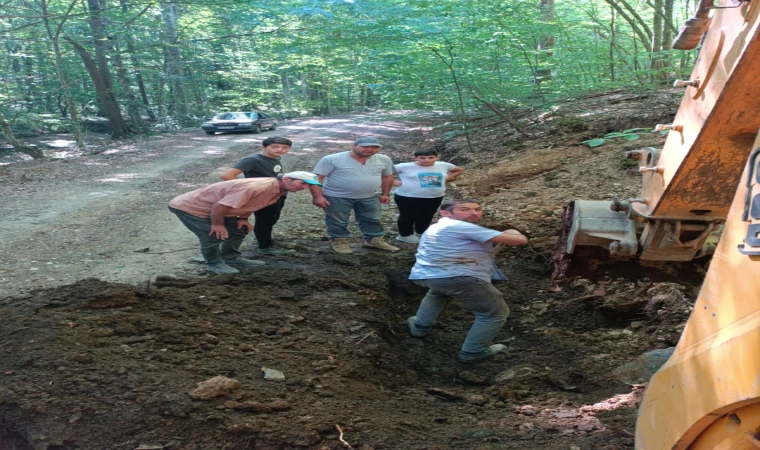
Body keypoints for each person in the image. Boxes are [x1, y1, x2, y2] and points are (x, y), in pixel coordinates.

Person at [406, 199, 528, 363]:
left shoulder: (437, 227)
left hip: (430, 275)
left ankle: (420, 327)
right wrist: (514, 232)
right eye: (465, 209)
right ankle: (473, 352)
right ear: (446, 212)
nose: (474, 213)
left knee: (439, 293)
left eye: (477, 209)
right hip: (459, 277)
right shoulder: (460, 226)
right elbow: (520, 241)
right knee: (494, 312)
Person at [169, 172, 322, 274]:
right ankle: (213, 263)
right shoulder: (257, 187)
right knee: (212, 235)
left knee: (238, 229)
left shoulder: (279, 190)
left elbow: (251, 204)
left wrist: (242, 219)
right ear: (287, 179)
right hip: (190, 207)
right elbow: (220, 206)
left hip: (215, 208)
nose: (304, 188)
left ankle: (230, 256)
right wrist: (217, 224)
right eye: (302, 183)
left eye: (307, 186)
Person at [310, 136, 400, 254]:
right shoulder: (332, 159)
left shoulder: (384, 159)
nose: (370, 149)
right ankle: (339, 240)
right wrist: (318, 196)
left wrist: (385, 193)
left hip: (370, 196)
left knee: (372, 219)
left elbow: (387, 176)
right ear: (353, 146)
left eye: (375, 147)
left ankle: (374, 240)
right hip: (336, 196)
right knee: (338, 220)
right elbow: (317, 177)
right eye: (365, 146)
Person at [220, 137, 295, 256]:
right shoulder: (253, 160)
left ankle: (267, 241)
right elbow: (227, 175)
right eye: (275, 147)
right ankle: (264, 247)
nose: (279, 149)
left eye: (284, 147)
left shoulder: (275, 158)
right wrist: (246, 189)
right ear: (264, 147)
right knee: (264, 221)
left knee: (271, 219)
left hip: (277, 194)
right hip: (264, 196)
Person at [393, 149, 463, 244]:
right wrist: (396, 182)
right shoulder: (404, 166)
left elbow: (458, 170)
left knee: (427, 216)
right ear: (415, 158)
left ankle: (421, 232)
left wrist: (445, 179)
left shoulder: (443, 165)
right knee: (407, 216)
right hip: (408, 196)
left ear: (437, 157)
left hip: (435, 196)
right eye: (422, 158)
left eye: (431, 157)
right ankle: (405, 235)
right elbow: (383, 174)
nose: (427, 160)